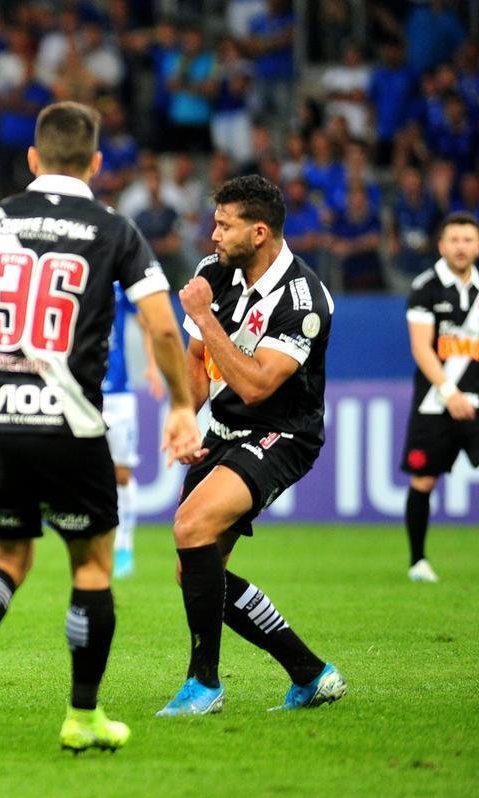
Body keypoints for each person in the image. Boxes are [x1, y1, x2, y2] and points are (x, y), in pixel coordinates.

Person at [0, 101, 201, 756]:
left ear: (32, 158)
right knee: (93, 567)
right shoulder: (114, 229)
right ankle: (82, 715)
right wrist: (182, 405)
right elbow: (163, 327)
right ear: (96, 163)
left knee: (5, 559)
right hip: (71, 422)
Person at [159, 175, 346, 717]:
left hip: (283, 433)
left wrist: (203, 315)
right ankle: (310, 673)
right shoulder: (213, 271)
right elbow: (197, 361)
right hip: (224, 429)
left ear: (259, 232)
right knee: (196, 569)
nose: (213, 235)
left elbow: (259, 384)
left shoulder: (305, 299)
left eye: (224, 225)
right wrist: (187, 418)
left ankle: (204, 685)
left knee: (191, 527)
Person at [401, 212, 479, 584]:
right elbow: (422, 348)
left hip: (476, 403)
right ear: (441, 245)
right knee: (424, 479)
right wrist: (450, 393)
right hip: (436, 402)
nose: (461, 247)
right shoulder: (426, 287)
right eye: (454, 240)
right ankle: (418, 562)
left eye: (468, 239)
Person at [104, 283, 164, 579]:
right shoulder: (70, 270)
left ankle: (123, 545)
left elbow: (147, 320)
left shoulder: (118, 284)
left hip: (117, 395)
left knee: (122, 474)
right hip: (78, 391)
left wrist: (152, 365)